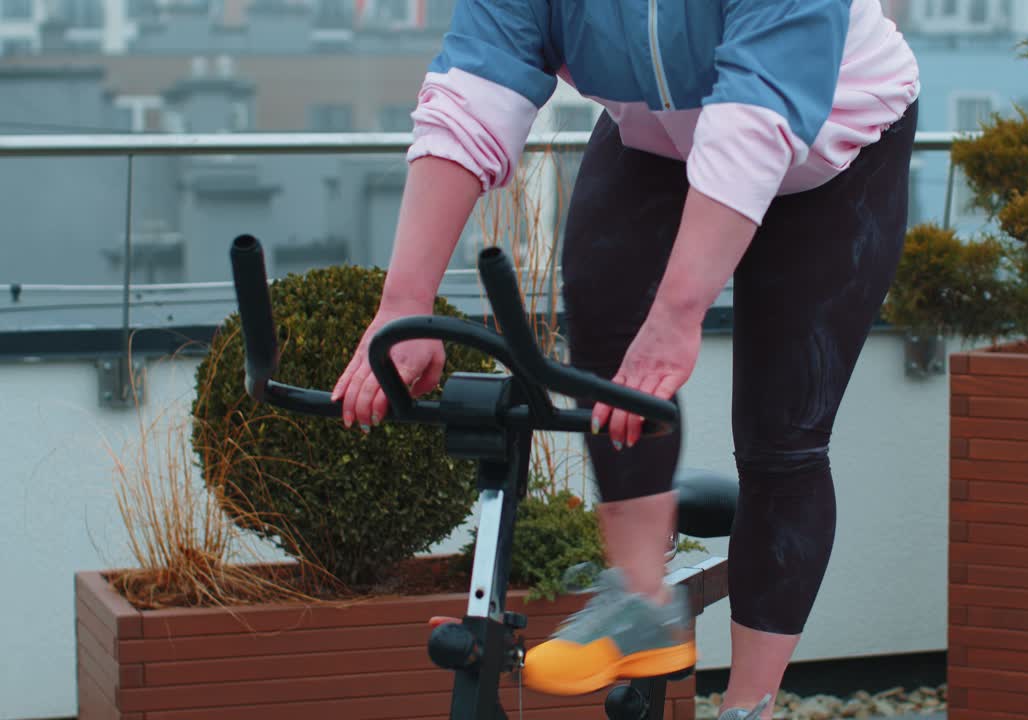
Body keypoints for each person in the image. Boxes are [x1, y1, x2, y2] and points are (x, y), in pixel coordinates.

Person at [331, 1, 919, 718]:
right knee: (608, 348)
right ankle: (643, 603)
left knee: (781, 435)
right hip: (660, 132)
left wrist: (678, 314)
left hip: (833, 135)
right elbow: (474, 88)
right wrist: (405, 305)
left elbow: (756, 119)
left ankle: (749, 705)